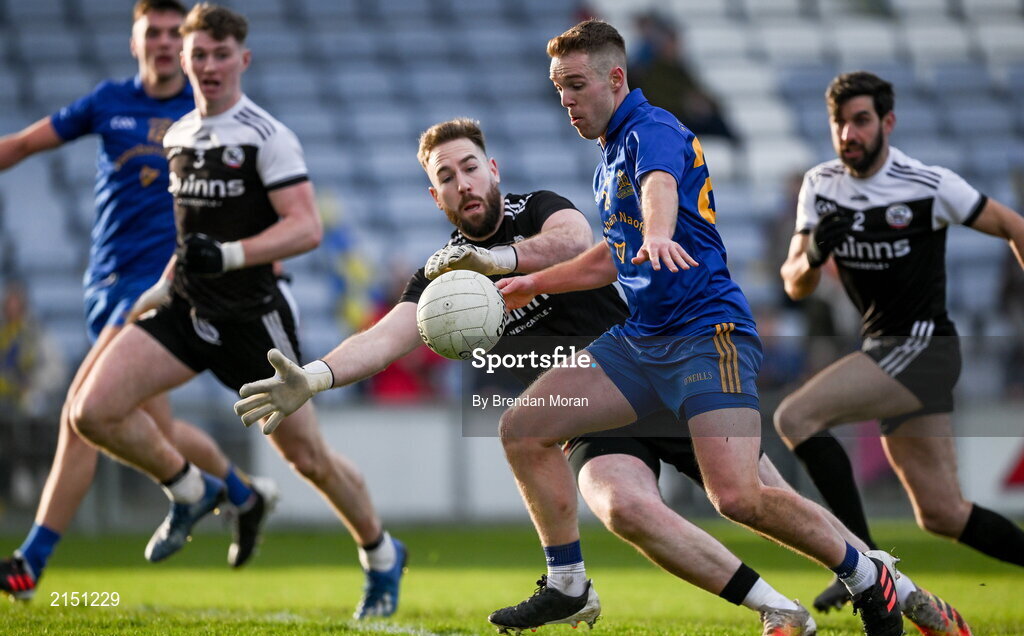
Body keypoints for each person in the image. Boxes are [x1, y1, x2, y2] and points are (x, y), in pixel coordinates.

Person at [234, 118, 970, 636]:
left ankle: (896, 587)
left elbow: (574, 239)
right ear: (435, 198)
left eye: (468, 166)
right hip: (585, 411)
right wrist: (316, 377)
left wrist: (499, 263)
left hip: (652, 366)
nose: (461, 183)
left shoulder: (537, 209)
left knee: (761, 499)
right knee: (623, 509)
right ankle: (778, 612)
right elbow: (390, 336)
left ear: (493, 170)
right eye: (444, 178)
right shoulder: (438, 272)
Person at [488, 20, 906, 636]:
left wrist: (658, 232)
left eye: (576, 85)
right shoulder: (609, 153)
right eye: (558, 89)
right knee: (523, 429)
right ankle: (568, 584)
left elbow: (659, 192)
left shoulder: (650, 130)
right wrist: (535, 282)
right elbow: (615, 251)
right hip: (642, 340)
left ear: (616, 78)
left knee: (738, 497)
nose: (567, 101)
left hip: (706, 334)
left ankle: (869, 576)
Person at [65, 4, 404, 619]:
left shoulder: (266, 135)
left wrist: (228, 255)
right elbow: (189, 235)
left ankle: (381, 554)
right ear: (184, 60)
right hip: (186, 307)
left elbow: (306, 228)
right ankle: (191, 490)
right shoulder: (179, 135)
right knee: (93, 411)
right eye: (200, 54)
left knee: (308, 459)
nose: (209, 65)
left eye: (222, 54)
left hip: (254, 320)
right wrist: (161, 288)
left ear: (242, 60)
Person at [0, 0, 273, 601]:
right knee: (151, 426)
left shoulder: (203, 114)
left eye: (176, 34)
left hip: (159, 286)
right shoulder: (107, 102)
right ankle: (242, 495)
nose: (164, 42)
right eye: (153, 32)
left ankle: (29, 562)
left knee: (83, 412)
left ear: (186, 47)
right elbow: (21, 144)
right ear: (135, 42)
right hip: (104, 283)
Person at [774, 70, 1024, 612]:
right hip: (883, 351)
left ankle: (865, 568)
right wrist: (815, 252)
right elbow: (794, 280)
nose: (849, 134)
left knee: (794, 418)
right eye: (839, 123)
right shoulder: (821, 185)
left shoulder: (927, 183)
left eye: (861, 121)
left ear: (887, 122)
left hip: (926, 348)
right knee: (941, 514)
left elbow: (1012, 225)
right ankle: (871, 566)